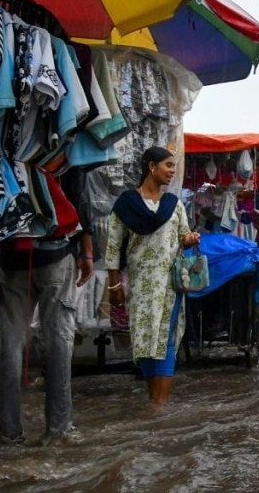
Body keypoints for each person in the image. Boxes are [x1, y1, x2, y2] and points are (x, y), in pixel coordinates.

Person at [0, 168, 94, 444]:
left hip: (11, 256)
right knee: (59, 342)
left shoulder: (1, 149)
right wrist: (86, 249)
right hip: (55, 253)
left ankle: (8, 433)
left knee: (9, 346)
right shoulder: (60, 148)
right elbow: (80, 197)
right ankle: (58, 430)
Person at [106, 147, 200, 406]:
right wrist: (114, 284)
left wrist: (190, 239)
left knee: (165, 339)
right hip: (140, 284)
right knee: (144, 339)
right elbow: (113, 247)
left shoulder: (174, 204)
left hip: (170, 283)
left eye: (173, 166)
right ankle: (154, 398)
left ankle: (160, 403)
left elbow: (184, 235)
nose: (172, 171)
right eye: (168, 165)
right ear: (151, 166)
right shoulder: (126, 205)